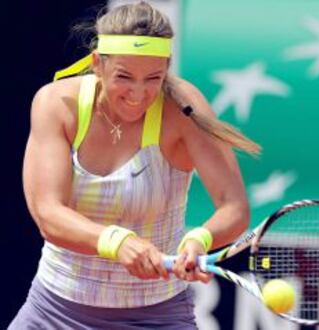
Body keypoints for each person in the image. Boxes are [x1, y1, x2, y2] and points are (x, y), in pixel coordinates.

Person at [8, 1, 260, 329]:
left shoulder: (183, 109)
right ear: (98, 64)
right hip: (54, 312)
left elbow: (234, 207)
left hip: (158, 316)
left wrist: (199, 239)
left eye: (153, 78)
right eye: (124, 76)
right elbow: (48, 213)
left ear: (167, 67)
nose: (138, 94)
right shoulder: (56, 104)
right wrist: (118, 242)